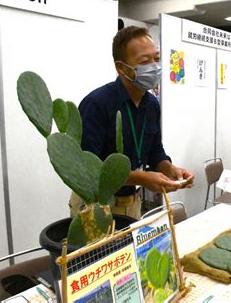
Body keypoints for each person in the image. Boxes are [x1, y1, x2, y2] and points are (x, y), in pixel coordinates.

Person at [70, 26, 194, 219]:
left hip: (132, 203)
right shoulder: (97, 104)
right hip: (95, 205)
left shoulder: (152, 104)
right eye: (145, 61)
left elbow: (155, 152)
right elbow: (88, 169)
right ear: (121, 68)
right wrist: (142, 178)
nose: (154, 66)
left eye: (157, 59)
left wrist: (170, 170)